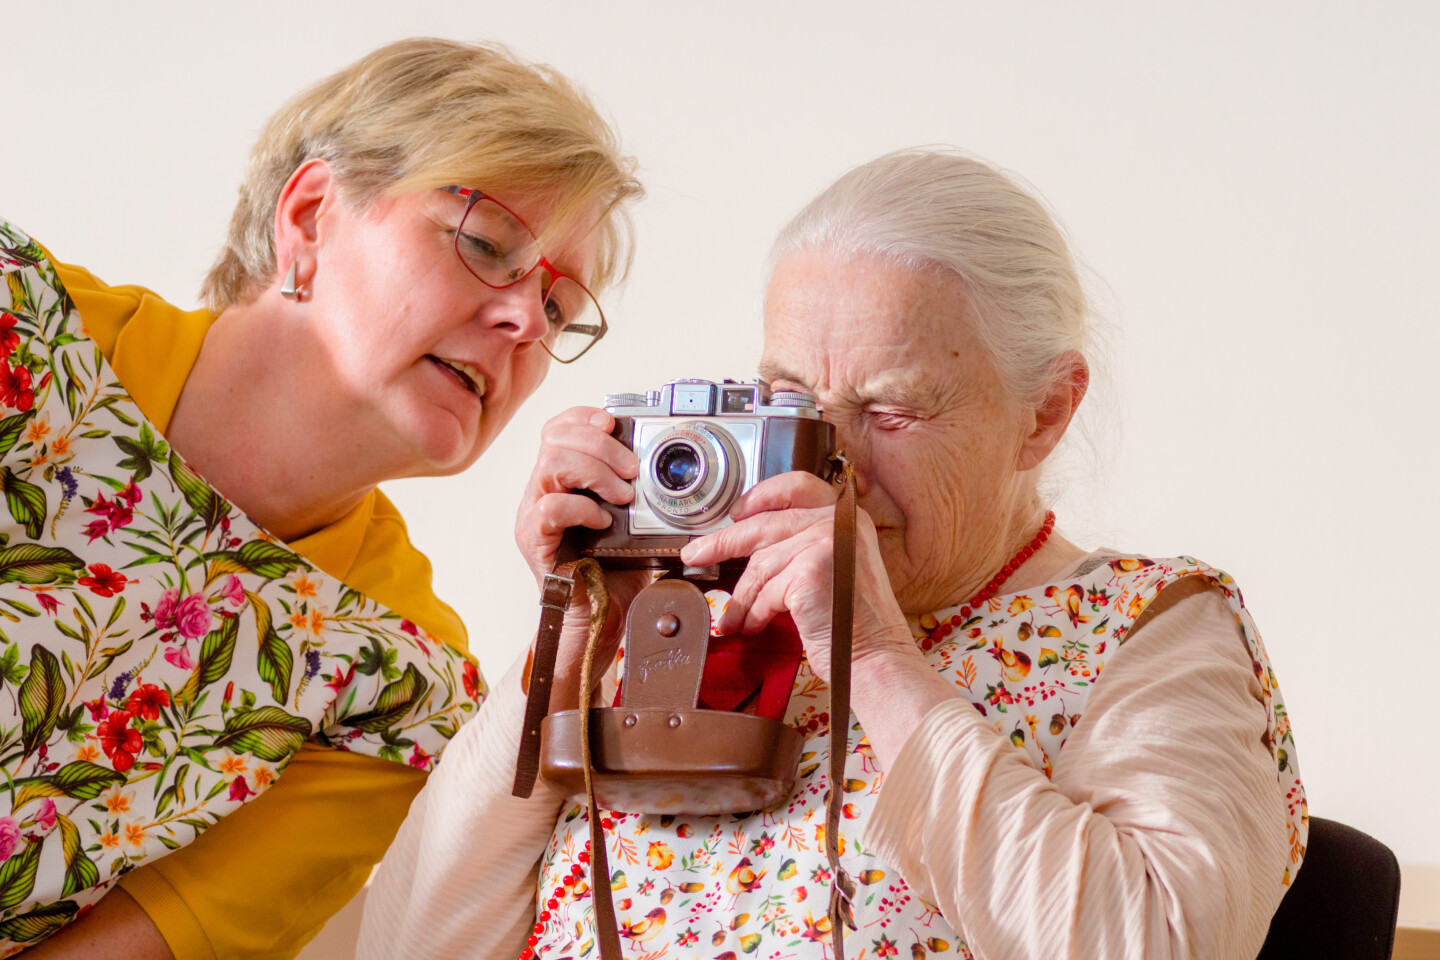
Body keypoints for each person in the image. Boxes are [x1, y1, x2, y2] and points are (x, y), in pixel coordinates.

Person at [359, 148, 1305, 960]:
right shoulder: (697, 618)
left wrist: (874, 658)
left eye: (892, 410)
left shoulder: (1148, 631)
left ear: (1046, 413)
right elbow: (409, 945)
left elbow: (1154, 940)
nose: (834, 458)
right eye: (792, 403)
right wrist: (569, 644)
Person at [0, 37, 640, 958]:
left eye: (560, 311)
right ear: (309, 218)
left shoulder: (399, 688)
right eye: (488, 246)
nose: (523, 323)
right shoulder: (22, 325)